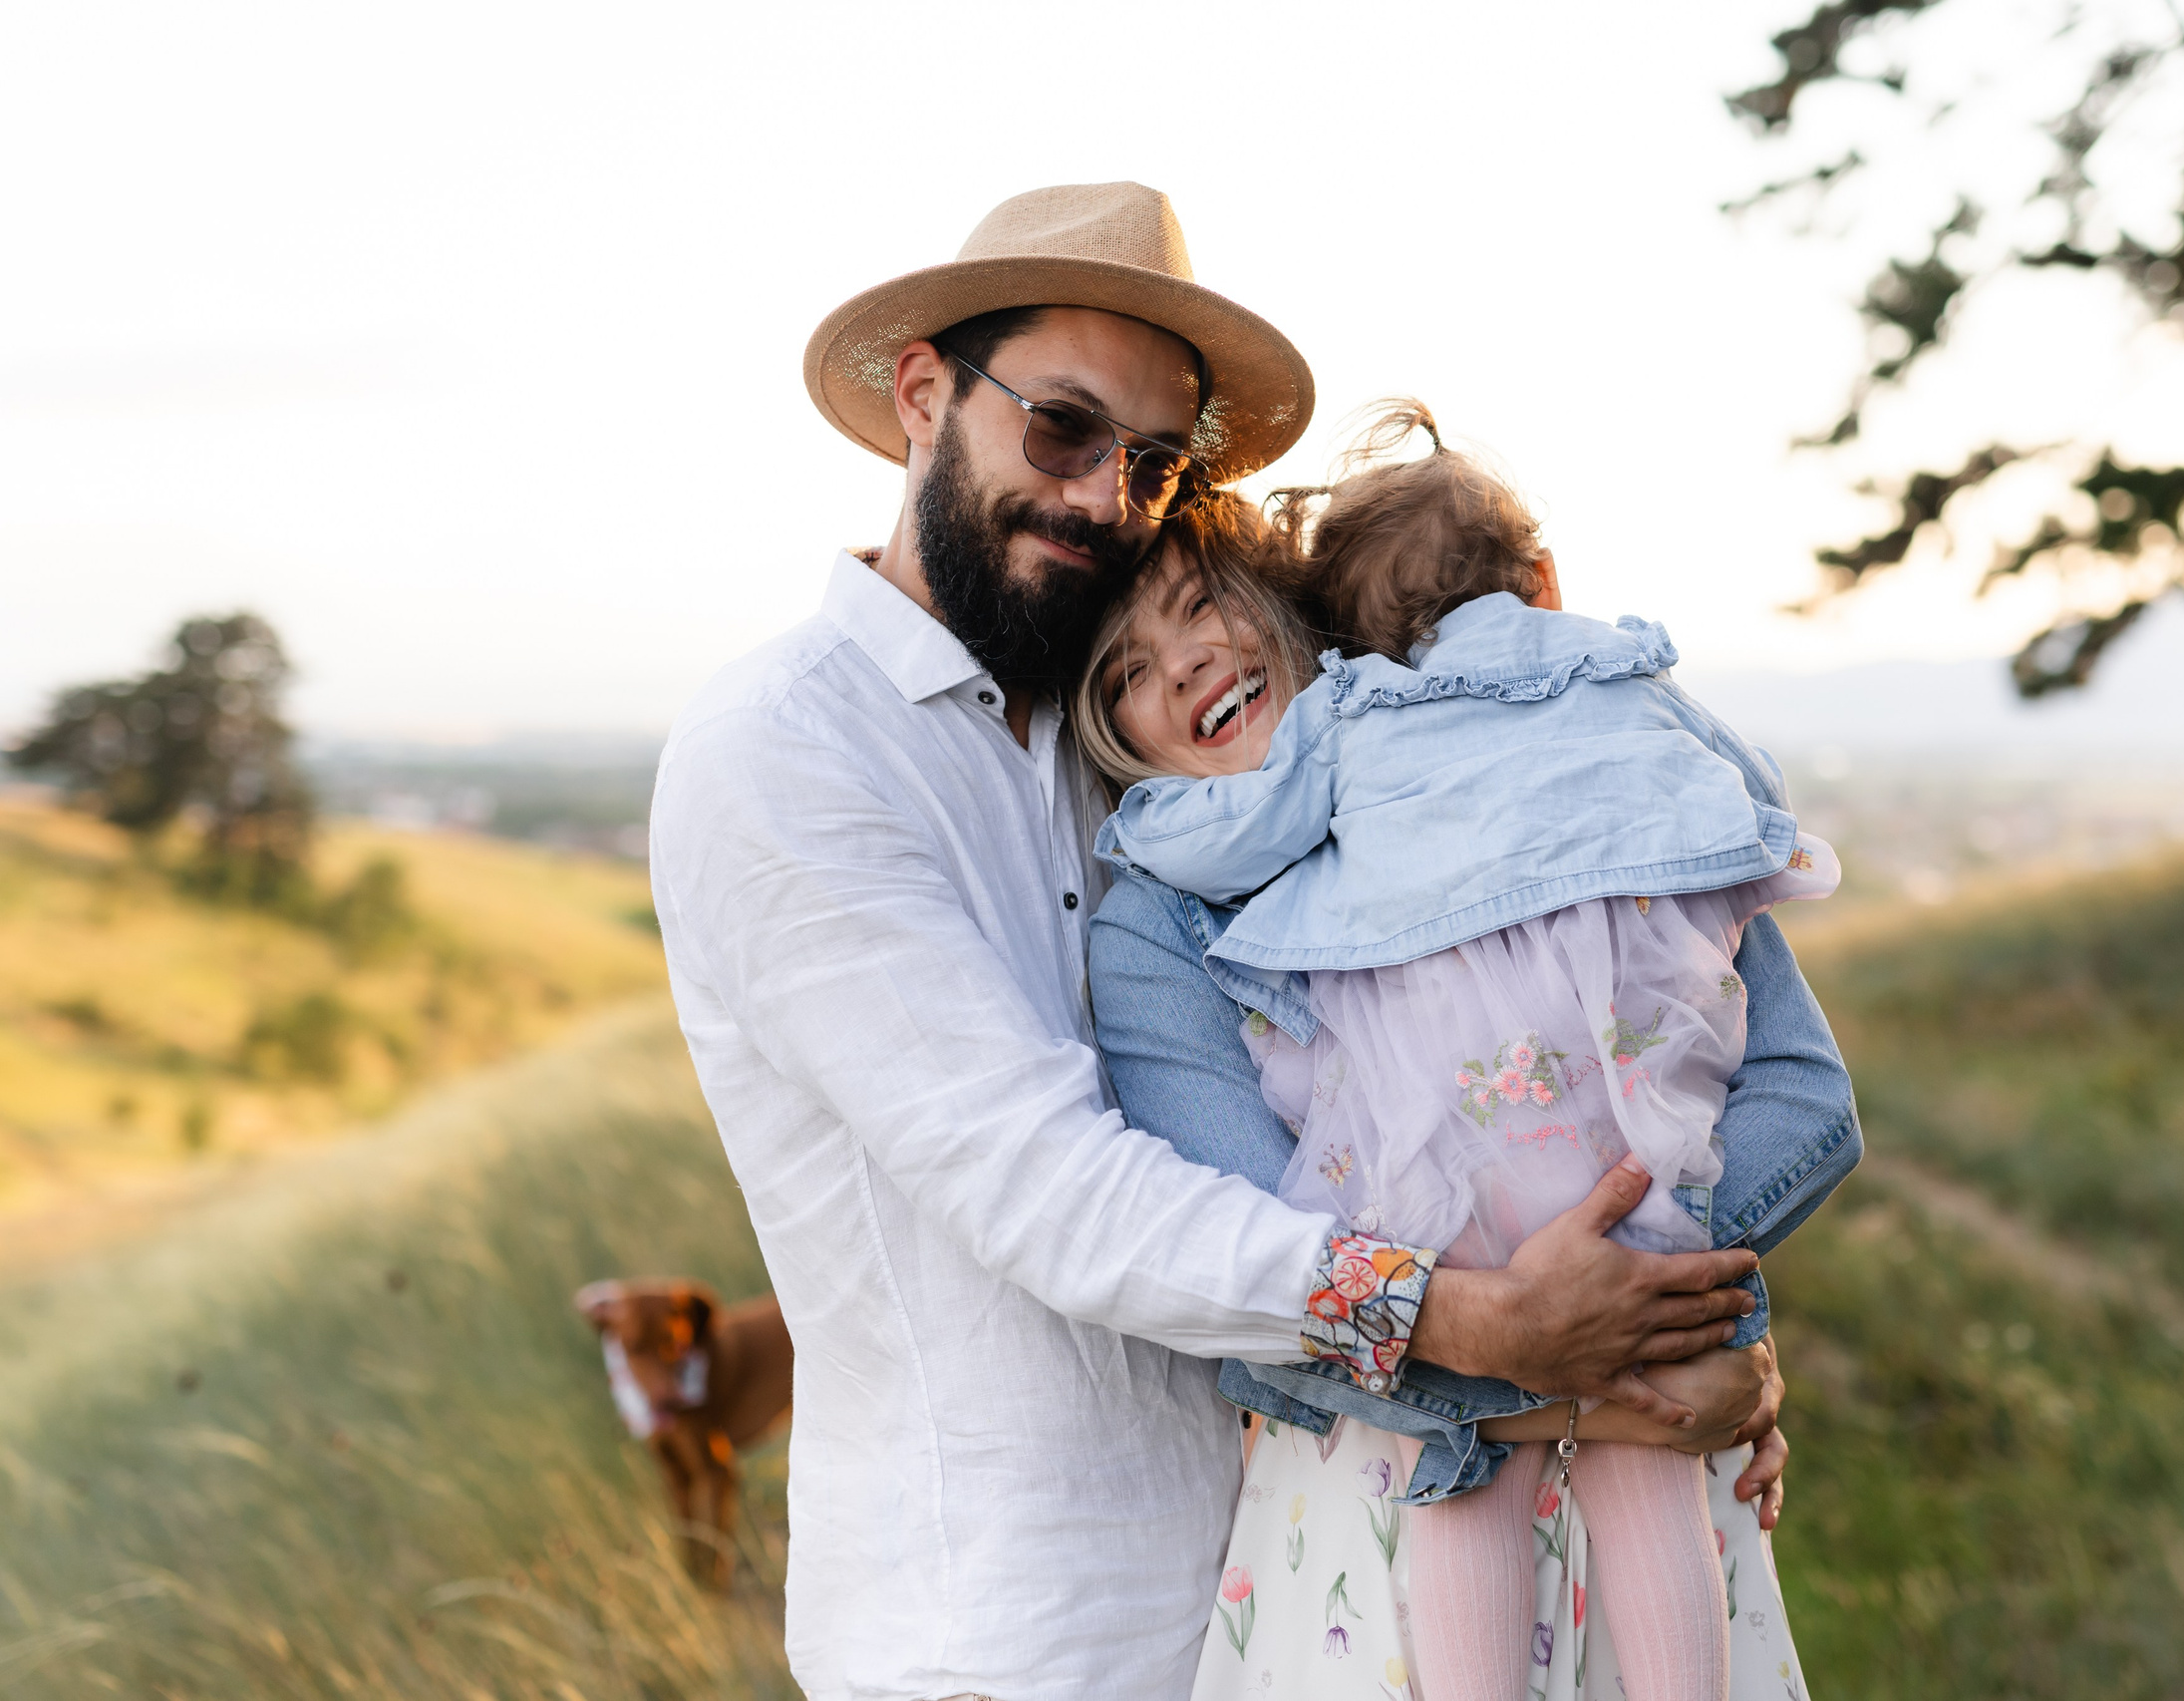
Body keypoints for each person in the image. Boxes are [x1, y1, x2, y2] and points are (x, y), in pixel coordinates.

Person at [647, 182, 1779, 1701]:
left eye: (1155, 461)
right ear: (923, 394)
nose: (1108, 496)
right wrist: (1492, 1326)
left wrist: (1666, 1317)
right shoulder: (782, 757)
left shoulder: (1137, 752)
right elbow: (1048, 1188)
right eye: (1062, 426)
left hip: (1288, 1580)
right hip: (1010, 1635)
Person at [1079, 444, 1861, 1697]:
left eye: (1197, 606)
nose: (1180, 664)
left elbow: (1800, 1100)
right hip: (1378, 1511)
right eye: (1125, 670)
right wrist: (1612, 1379)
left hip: (1664, 1454)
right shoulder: (1156, 924)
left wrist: (1660, 1290)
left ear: (1293, 610)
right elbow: (1238, 1274)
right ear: (1112, 729)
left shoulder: (1568, 782)